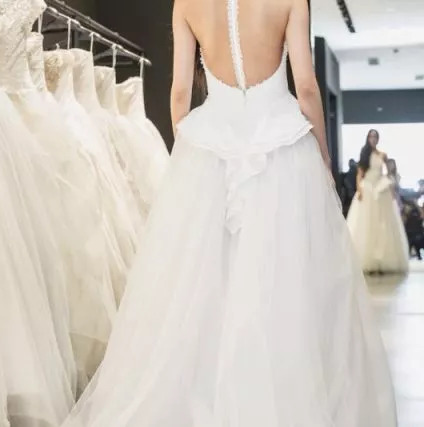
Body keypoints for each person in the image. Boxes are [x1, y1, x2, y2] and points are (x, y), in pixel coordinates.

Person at [61, 0, 396, 425]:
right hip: (281, 146)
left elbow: (179, 92)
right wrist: (324, 157)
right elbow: (307, 87)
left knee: (203, 291)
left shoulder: (187, 4)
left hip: (210, 147)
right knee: (289, 284)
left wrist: (188, 155)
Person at [347, 130, 409, 274]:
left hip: (380, 191)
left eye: (375, 137)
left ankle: (382, 260)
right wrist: (360, 190)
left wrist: (390, 187)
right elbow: (360, 174)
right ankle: (366, 261)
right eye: (371, 136)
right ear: (368, 138)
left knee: (382, 224)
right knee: (366, 223)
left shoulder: (383, 155)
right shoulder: (364, 154)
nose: (373, 139)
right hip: (367, 189)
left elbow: (389, 172)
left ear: (378, 139)